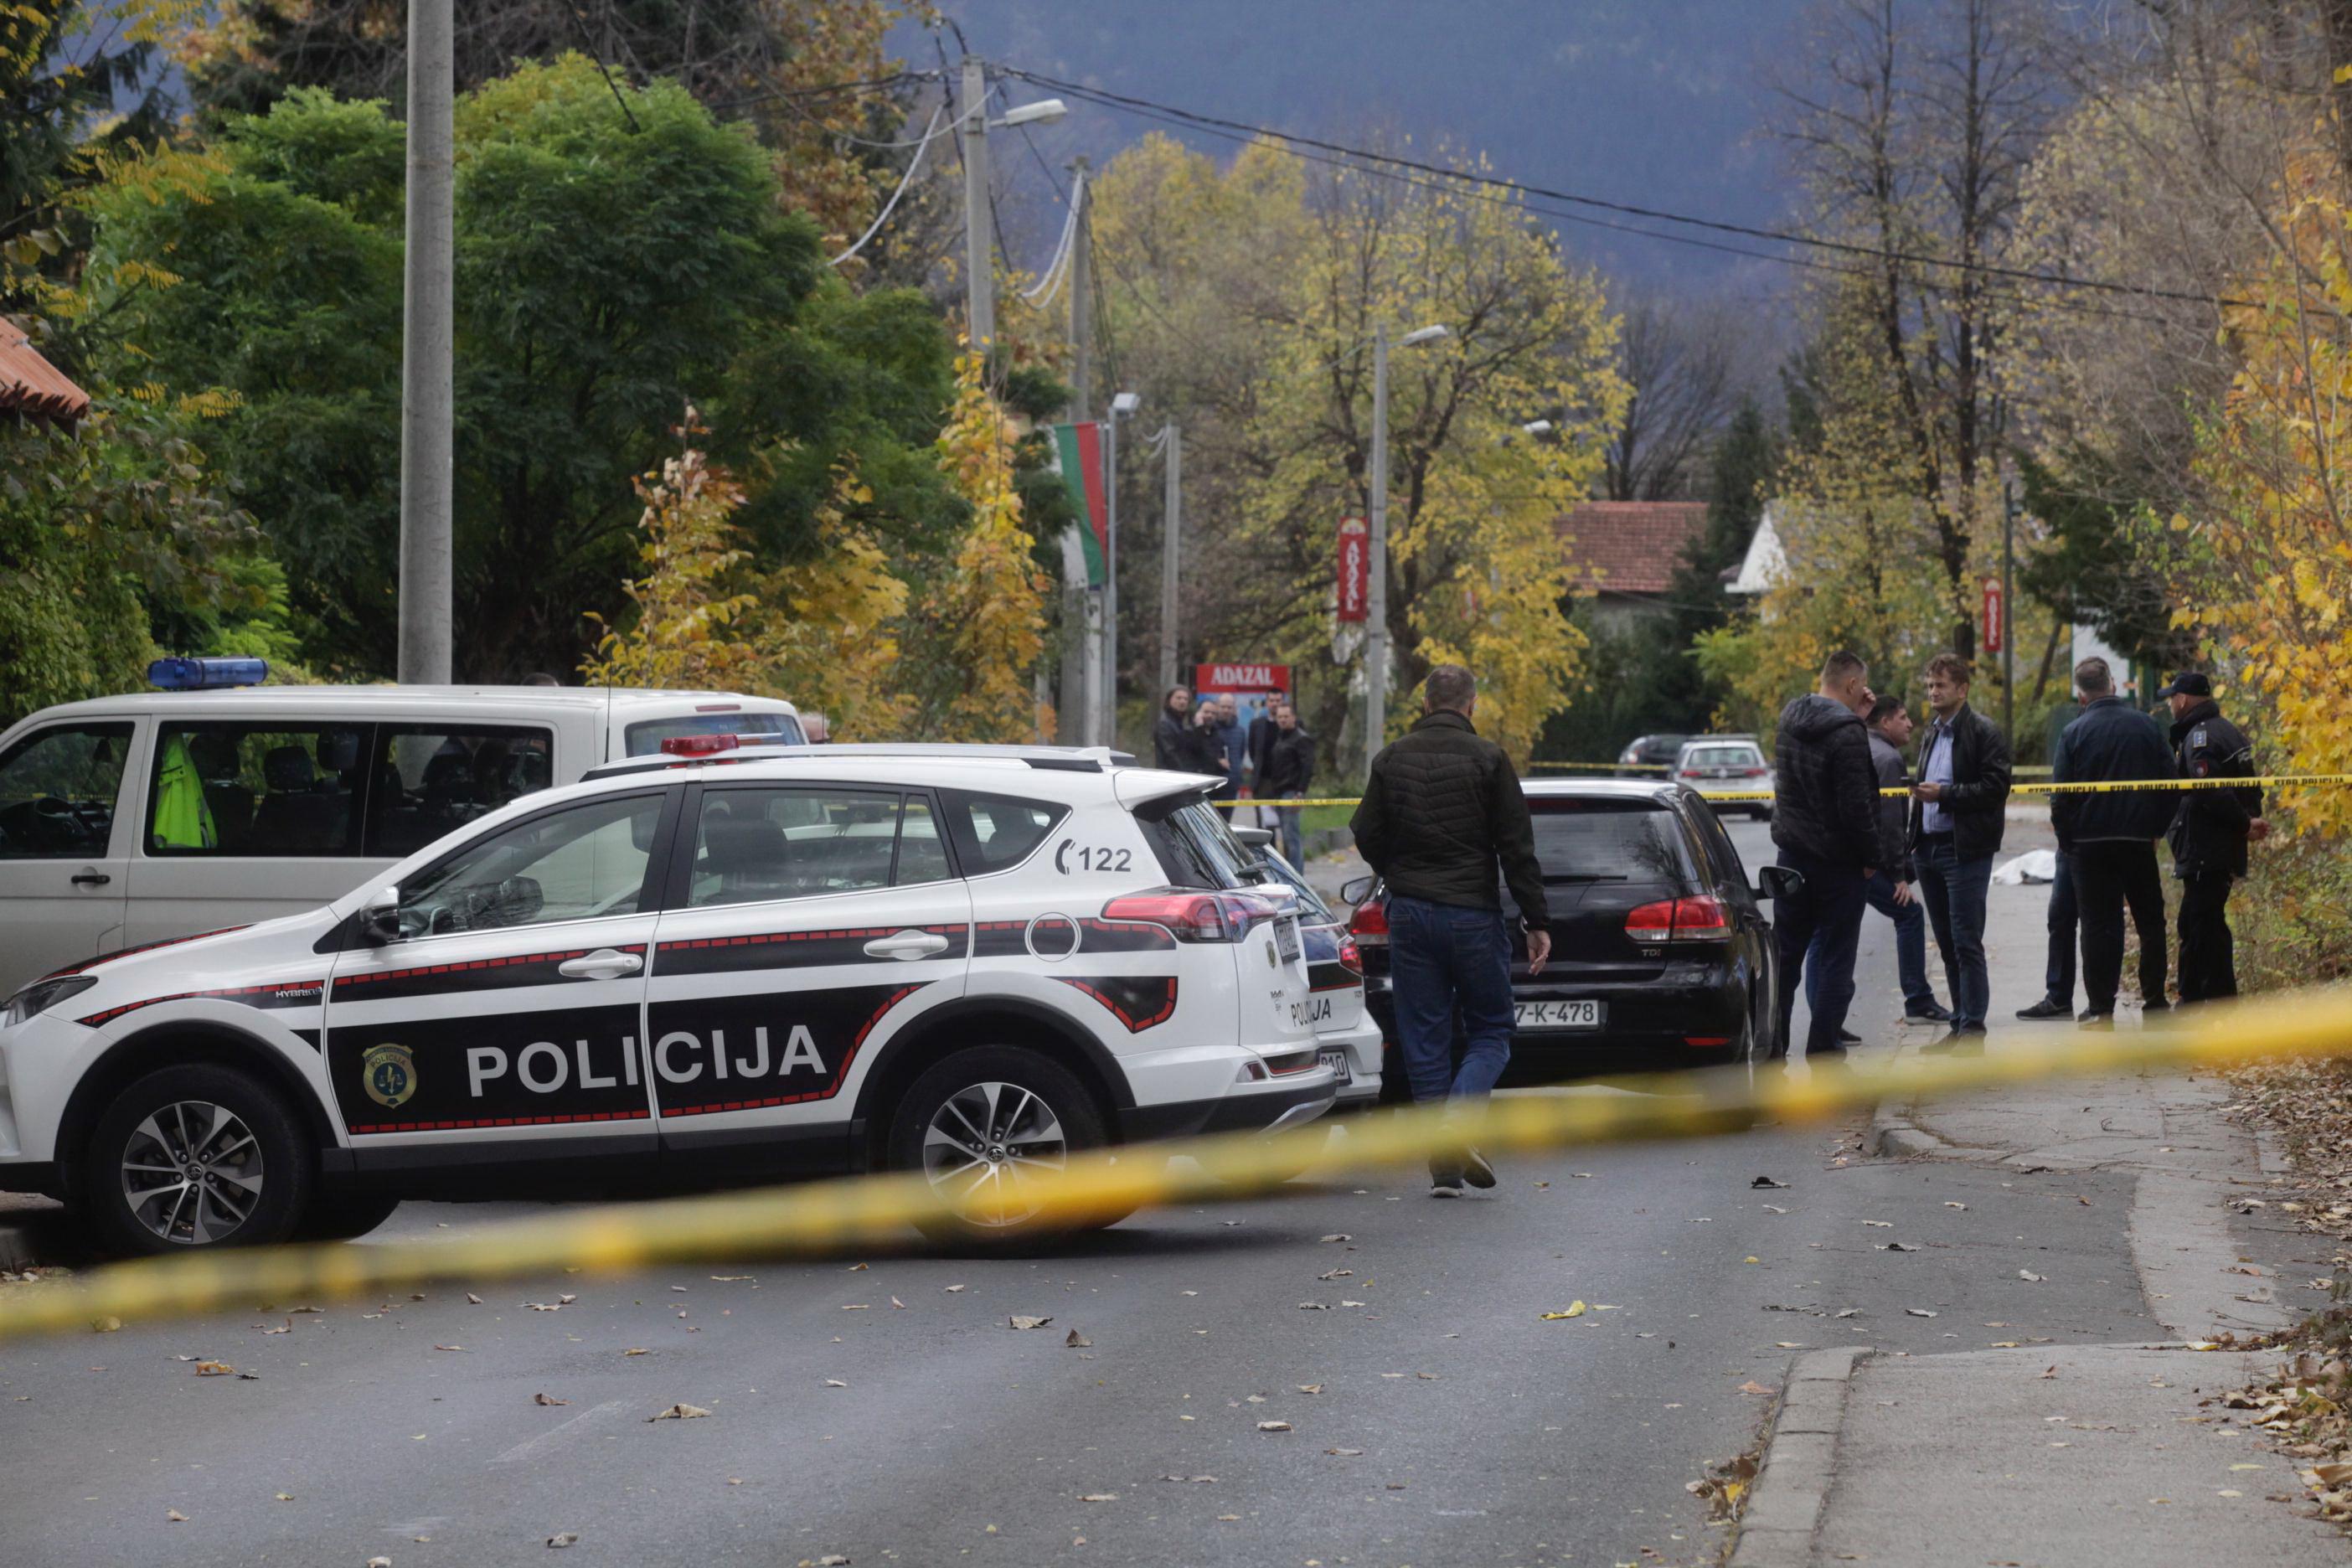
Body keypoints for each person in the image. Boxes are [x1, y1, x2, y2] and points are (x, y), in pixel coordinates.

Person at [1349, 664, 1550, 1197]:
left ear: (1424, 705)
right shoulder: (1489, 759)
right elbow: (1517, 848)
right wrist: (1536, 920)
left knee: (1424, 1039)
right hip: (1472, 914)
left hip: (1411, 913)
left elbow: (1364, 829)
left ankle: (1443, 1169)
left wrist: (1399, 871)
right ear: (1472, 705)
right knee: (1491, 1029)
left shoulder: (1391, 759)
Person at [1767, 650, 1889, 1066]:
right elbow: (1856, 807)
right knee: (1836, 959)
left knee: (1785, 960)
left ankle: (1770, 1051)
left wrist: (1861, 716)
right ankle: (1824, 1053)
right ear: (1854, 685)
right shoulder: (1847, 733)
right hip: (1838, 866)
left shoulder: (1789, 717)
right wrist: (1874, 857)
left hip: (1790, 858)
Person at [2047, 658, 2175, 1029]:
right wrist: (2155, 830)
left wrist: (2069, 840)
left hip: (2089, 846)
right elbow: (2170, 786)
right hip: (2136, 841)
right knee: (2150, 922)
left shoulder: (2073, 733)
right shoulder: (2147, 726)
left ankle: (2101, 1009)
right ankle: (2154, 1002)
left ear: (2081, 694)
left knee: (2097, 925)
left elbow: (2061, 797)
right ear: (2113, 684)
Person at [1911, 652, 2013, 1052]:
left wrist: (1946, 794)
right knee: (1947, 944)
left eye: (1941, 685)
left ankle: (1973, 1032)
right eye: (1930, 685)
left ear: (1962, 689)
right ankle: (1958, 1026)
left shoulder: (1983, 731)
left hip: (1964, 851)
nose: (1934, 692)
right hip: (1929, 849)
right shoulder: (1931, 732)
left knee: (1967, 941)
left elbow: (1995, 788)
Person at [2160, 672, 2268, 1004]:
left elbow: (2212, 792)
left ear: (2183, 699)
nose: (2169, 705)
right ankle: (2191, 997)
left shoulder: (2200, 739)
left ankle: (2218, 1002)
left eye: (2171, 698)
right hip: (2217, 845)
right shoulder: (2230, 731)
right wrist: (2249, 820)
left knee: (2204, 926)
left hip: (2208, 846)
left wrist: (2243, 825)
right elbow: (2250, 787)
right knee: (2195, 923)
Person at [1859, 694, 1951, 1025]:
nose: (1910, 723)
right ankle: (1918, 1001)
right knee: (1910, 914)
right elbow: (1890, 823)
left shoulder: (1861, 746)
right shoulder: (1887, 759)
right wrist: (1898, 875)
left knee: (1825, 938)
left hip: (1846, 860)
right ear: (1885, 722)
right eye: (1902, 717)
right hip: (1869, 865)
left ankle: (1827, 1023)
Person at [1258, 701, 1316, 865]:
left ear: (1293, 718)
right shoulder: (1281, 737)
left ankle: (1297, 878)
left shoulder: (1301, 738)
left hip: (1291, 793)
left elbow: (1307, 768)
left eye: (1286, 716)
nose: (1282, 720)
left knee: (1292, 838)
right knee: (1285, 836)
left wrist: (1300, 792)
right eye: (1280, 717)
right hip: (1279, 792)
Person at [1153, 685, 1215, 774]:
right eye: (1178, 698)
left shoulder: (1183, 722)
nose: (1182, 701)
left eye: (1185, 699)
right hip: (1171, 775)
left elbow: (1195, 748)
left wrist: (1199, 728)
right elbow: (1170, 754)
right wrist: (1185, 773)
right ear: (1169, 700)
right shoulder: (1165, 724)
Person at [1207, 695, 1248, 802]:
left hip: (1232, 784)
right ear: (1217, 707)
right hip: (1212, 783)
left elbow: (1241, 754)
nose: (1226, 710)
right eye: (1223, 707)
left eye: (1229, 707)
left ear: (1234, 708)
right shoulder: (1209, 729)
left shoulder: (1240, 731)